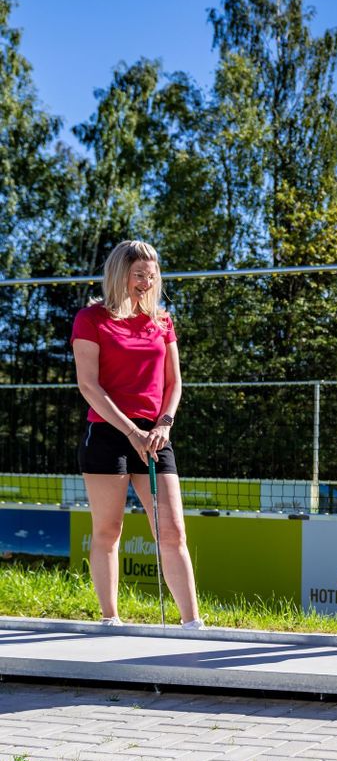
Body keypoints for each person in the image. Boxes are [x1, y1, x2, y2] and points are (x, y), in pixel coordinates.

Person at [71, 240, 202, 629]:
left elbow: (174, 382)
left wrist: (163, 423)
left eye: (152, 274)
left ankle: (192, 624)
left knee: (173, 531)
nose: (148, 281)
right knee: (109, 530)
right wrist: (130, 431)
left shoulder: (162, 321)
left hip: (155, 436)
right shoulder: (91, 319)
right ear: (119, 275)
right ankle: (110, 619)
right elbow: (89, 385)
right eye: (139, 274)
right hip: (108, 433)